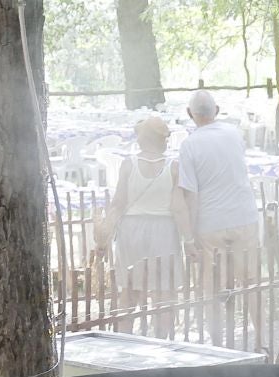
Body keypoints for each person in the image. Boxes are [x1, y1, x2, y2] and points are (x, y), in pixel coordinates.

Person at [174, 89, 260, 342]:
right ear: (217, 111)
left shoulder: (189, 144)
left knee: (211, 286)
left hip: (211, 223)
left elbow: (191, 194)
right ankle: (261, 339)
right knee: (251, 281)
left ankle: (217, 342)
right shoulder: (235, 134)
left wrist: (188, 236)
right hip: (244, 216)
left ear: (190, 114)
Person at [93, 116, 186, 335]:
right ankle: (164, 341)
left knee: (130, 289)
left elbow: (118, 203)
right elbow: (179, 208)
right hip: (163, 230)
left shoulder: (128, 165)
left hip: (131, 231)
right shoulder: (174, 167)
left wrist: (104, 237)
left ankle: (124, 337)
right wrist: (189, 239)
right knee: (164, 291)